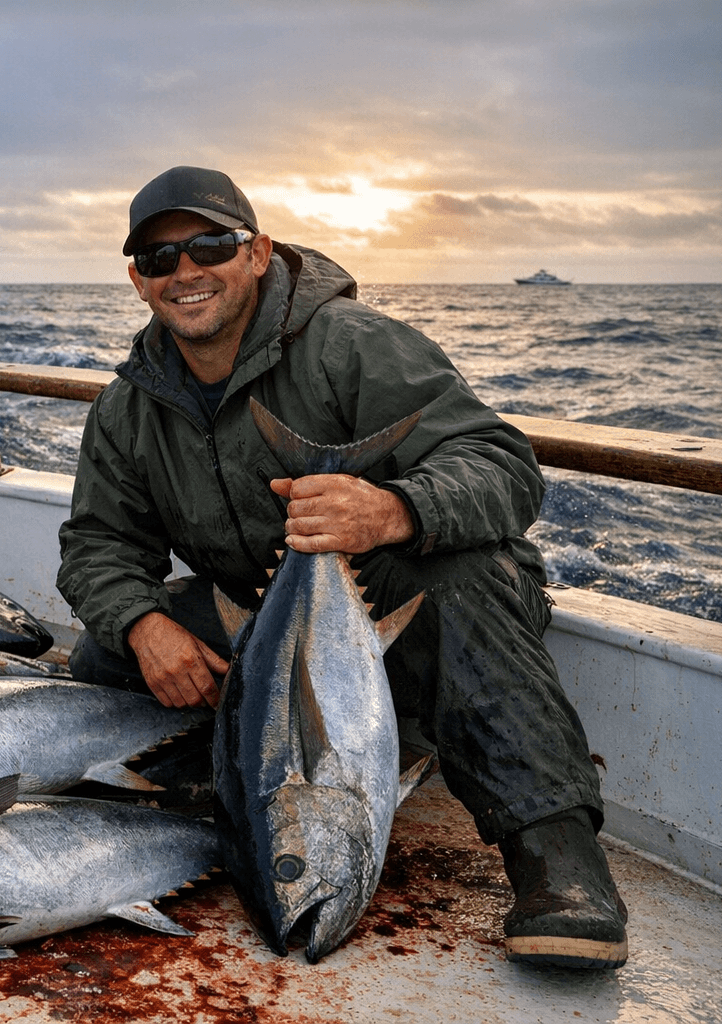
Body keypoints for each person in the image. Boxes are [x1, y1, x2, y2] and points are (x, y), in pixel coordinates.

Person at [56, 166, 628, 970]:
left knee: (466, 583)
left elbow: (502, 464)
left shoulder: (351, 343)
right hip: (257, 619)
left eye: (209, 245)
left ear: (257, 253)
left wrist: (392, 511)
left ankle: (557, 857)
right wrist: (143, 624)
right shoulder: (130, 404)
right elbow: (98, 544)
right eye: (159, 260)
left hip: (395, 587)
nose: (185, 272)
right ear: (137, 281)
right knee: (103, 650)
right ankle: (223, 792)